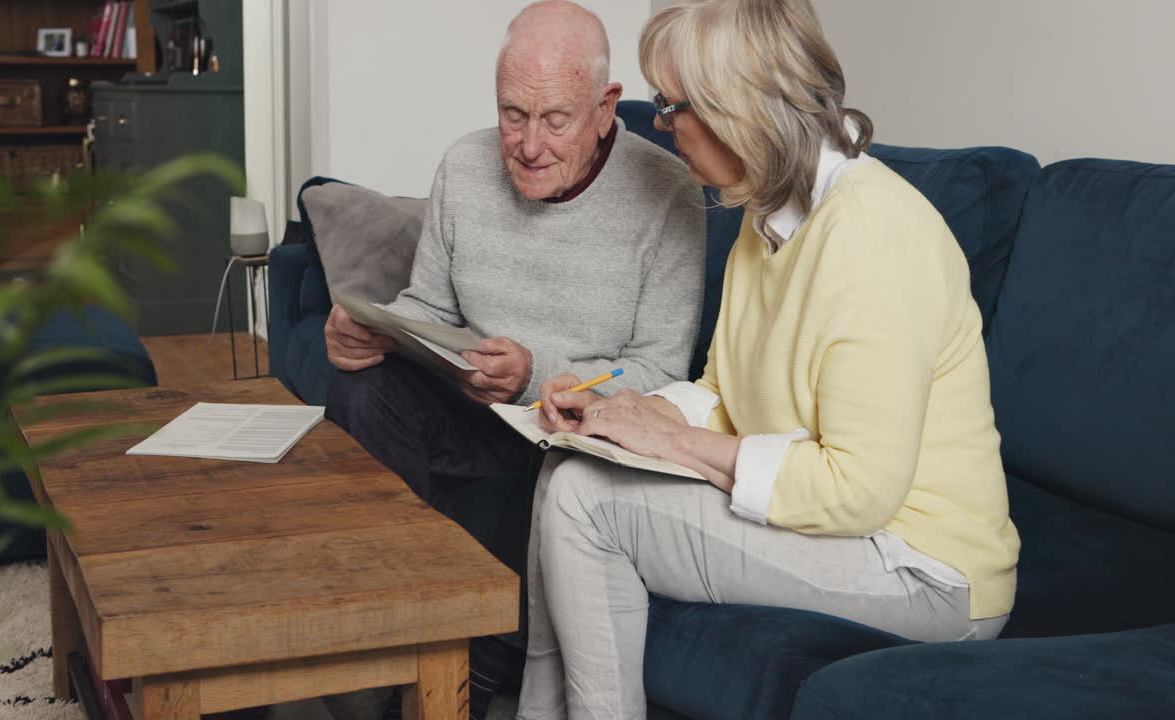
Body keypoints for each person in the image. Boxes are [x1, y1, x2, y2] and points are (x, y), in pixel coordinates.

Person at [517, 1, 1022, 717]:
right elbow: (724, 388)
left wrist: (678, 442)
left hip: (923, 568)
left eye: (669, 106)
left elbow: (856, 490)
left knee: (585, 500)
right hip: (856, 531)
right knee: (567, 459)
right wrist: (624, 415)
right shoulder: (767, 213)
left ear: (733, 107)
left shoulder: (873, 235)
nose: (660, 126)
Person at [321, 1, 705, 715]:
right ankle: (380, 634)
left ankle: (476, 653)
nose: (528, 145)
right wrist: (370, 329)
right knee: (358, 391)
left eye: (555, 120)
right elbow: (429, 310)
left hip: (567, 434)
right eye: (511, 115)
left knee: (563, 464)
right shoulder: (465, 166)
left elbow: (664, 375)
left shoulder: (667, 194)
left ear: (604, 107)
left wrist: (538, 371)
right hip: (471, 411)